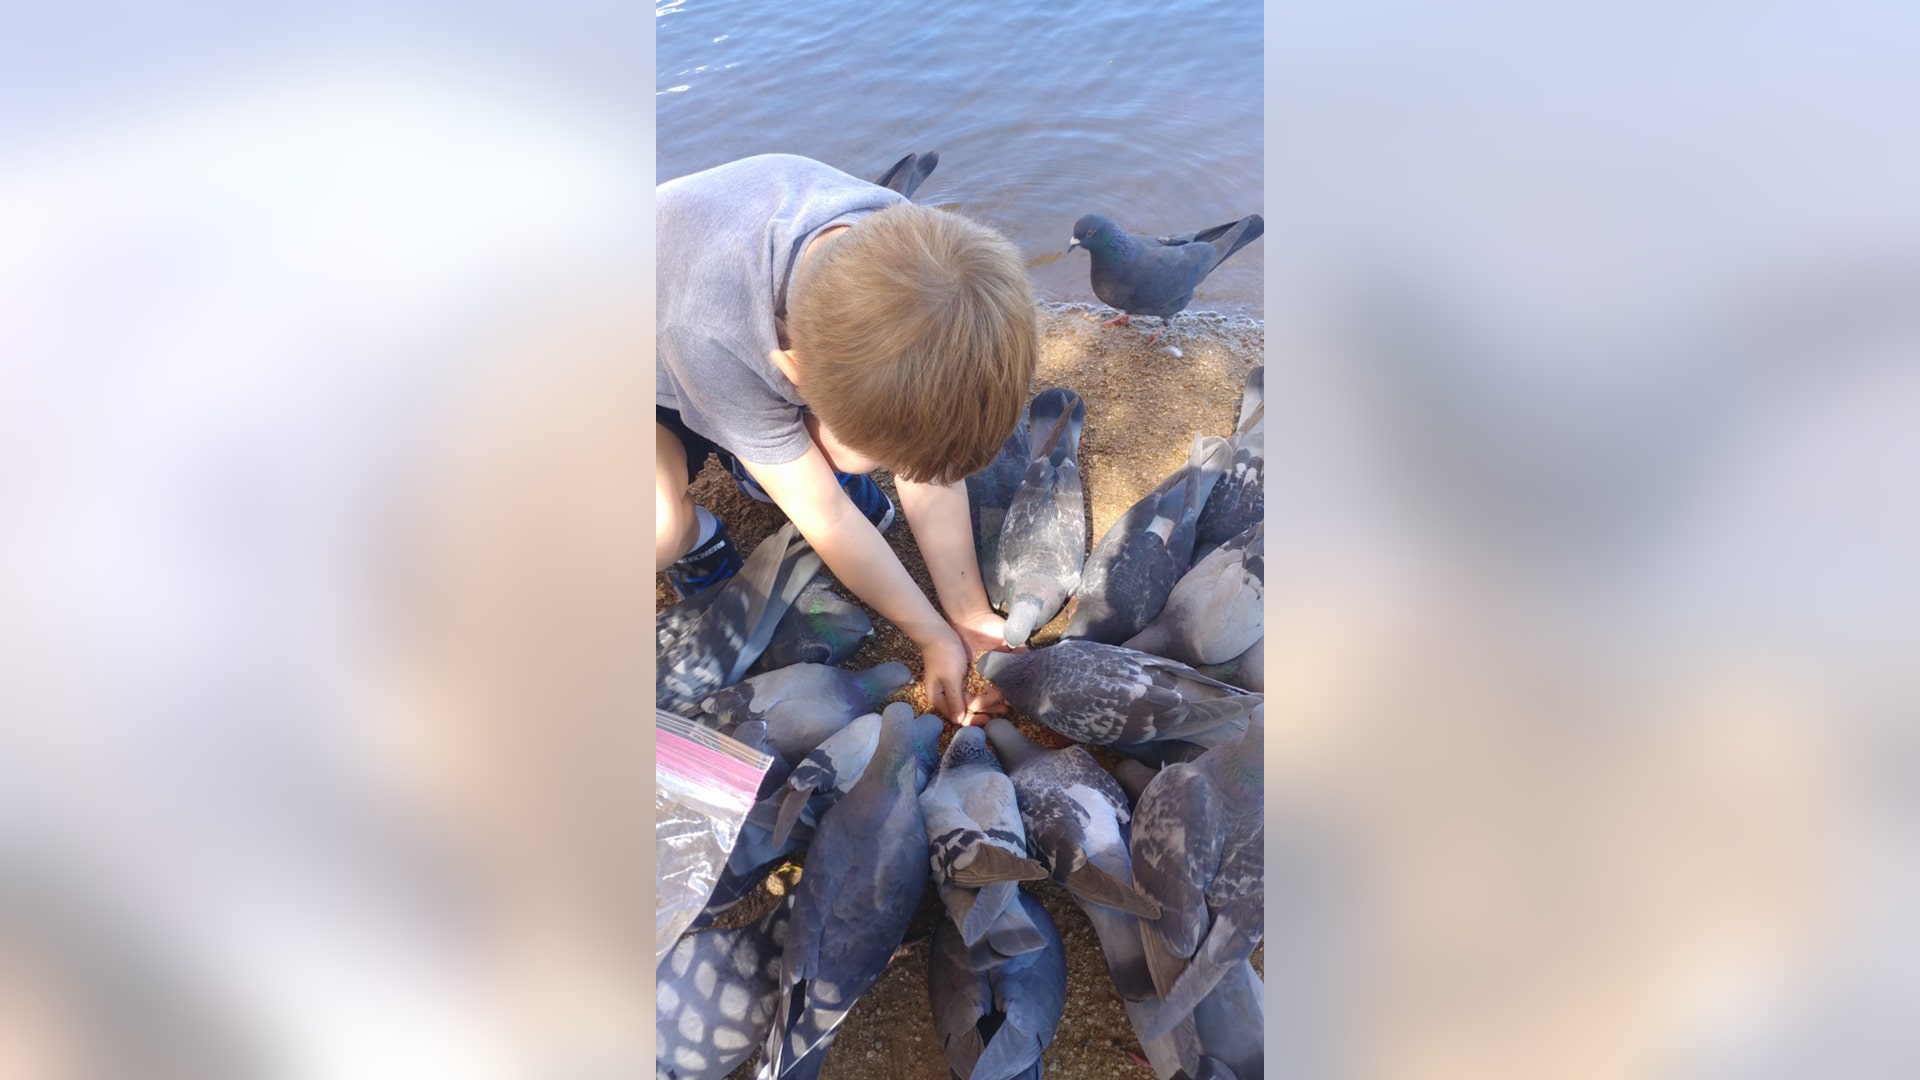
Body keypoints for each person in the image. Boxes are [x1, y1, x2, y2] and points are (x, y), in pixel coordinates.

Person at [656, 154, 1037, 724]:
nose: (903, 471)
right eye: (893, 465)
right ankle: (702, 533)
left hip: (741, 353)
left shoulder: (917, 255)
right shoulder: (708, 329)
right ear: (794, 375)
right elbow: (826, 515)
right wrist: (927, 634)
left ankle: (764, 452)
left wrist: (966, 616)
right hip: (636, 367)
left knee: (827, 456)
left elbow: (930, 470)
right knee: (654, 528)